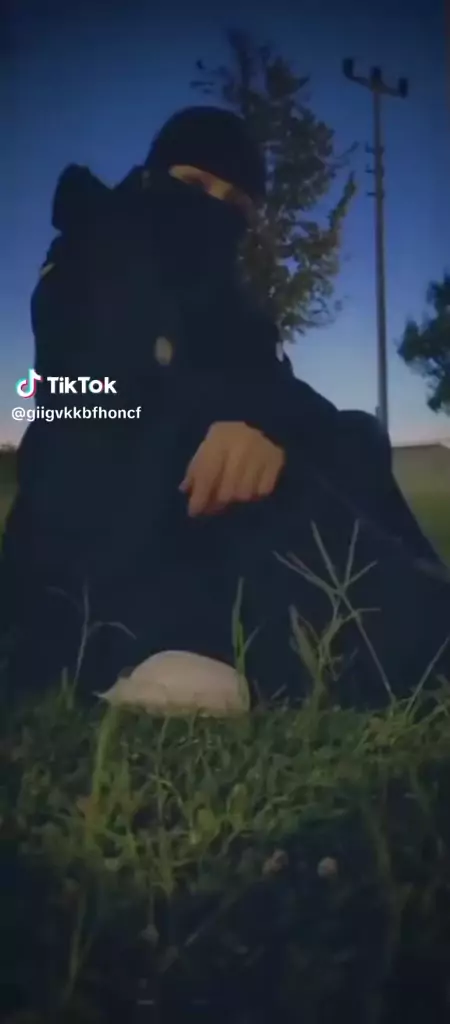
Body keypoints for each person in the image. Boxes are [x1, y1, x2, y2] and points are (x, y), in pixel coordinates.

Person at [1, 106, 450, 714]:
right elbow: (79, 399)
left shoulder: (232, 310)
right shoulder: (89, 256)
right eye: (194, 183)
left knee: (353, 435)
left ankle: (418, 600)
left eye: (234, 202)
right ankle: (139, 647)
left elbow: (288, 400)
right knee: (262, 503)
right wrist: (209, 425)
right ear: (154, 178)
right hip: (100, 521)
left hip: (208, 500)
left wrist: (262, 427)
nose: (211, 210)